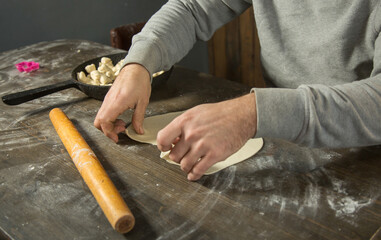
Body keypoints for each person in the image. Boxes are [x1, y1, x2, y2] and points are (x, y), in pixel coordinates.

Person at [94, 0, 381, 181]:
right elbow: (192, 8)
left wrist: (252, 114)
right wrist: (140, 63)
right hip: (281, 133)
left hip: (365, 149)